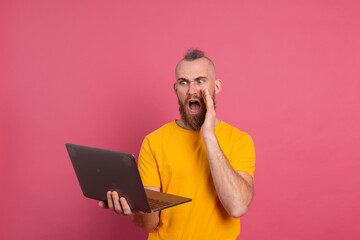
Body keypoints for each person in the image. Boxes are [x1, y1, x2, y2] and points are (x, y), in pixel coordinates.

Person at [99, 49, 255, 239]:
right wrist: (134, 211)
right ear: (175, 89)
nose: (191, 90)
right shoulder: (153, 142)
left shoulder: (239, 140)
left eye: (200, 81)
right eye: (183, 82)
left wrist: (209, 136)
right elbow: (151, 223)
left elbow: (237, 206)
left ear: (217, 86)